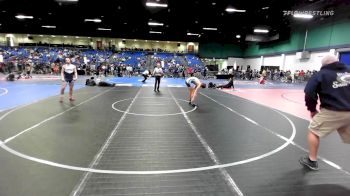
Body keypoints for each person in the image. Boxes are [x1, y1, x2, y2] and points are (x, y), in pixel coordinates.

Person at [299, 55, 350, 170]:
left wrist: (312, 110)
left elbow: (309, 94)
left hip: (333, 110)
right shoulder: (348, 71)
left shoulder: (321, 74)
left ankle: (312, 161)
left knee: (313, 131)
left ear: (324, 65)